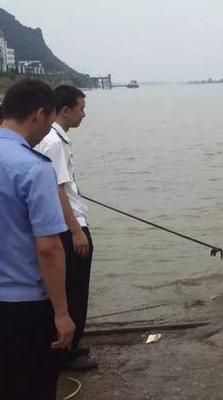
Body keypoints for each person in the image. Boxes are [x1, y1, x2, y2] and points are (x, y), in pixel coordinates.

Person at [0, 79, 75, 399]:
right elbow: (48, 248)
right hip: (24, 306)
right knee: (33, 386)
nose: (47, 132)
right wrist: (62, 313)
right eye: (49, 122)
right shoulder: (33, 168)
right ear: (39, 114)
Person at [35, 85, 97, 370]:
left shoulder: (52, 139)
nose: (84, 114)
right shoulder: (54, 143)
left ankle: (69, 344)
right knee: (75, 290)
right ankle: (67, 354)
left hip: (66, 222)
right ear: (64, 110)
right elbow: (58, 189)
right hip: (69, 226)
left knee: (70, 288)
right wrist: (76, 231)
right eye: (80, 108)